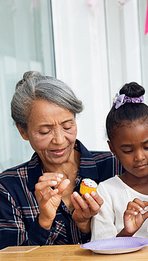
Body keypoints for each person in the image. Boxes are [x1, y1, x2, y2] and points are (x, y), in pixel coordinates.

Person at [0, 71, 122, 248]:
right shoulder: (9, 188)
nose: (59, 140)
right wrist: (44, 222)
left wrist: (87, 228)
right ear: (23, 131)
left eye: (67, 126)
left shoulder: (113, 167)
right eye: (44, 131)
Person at [91, 82, 148, 242]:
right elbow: (100, 251)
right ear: (113, 149)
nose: (139, 157)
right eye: (128, 150)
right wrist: (127, 232)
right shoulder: (107, 192)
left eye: (147, 146)